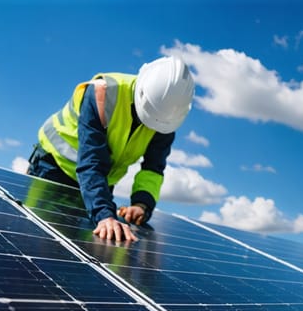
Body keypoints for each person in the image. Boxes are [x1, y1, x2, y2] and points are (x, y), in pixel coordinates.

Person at [28, 55, 195, 242]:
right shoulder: (104, 92)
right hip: (54, 168)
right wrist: (104, 214)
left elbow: (153, 169)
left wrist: (141, 204)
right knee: (40, 241)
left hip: (100, 182)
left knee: (90, 248)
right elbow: (92, 160)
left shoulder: (166, 121)